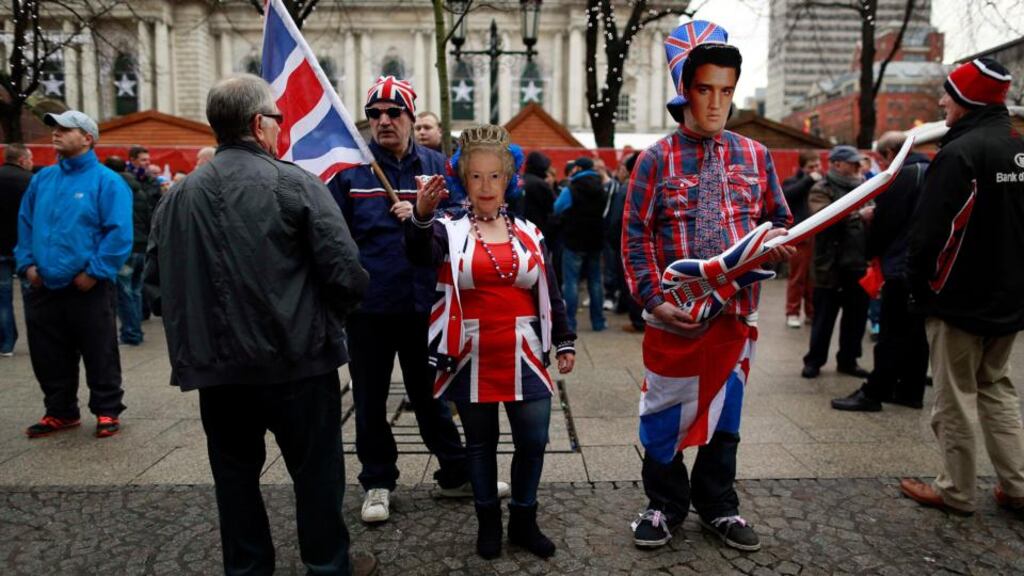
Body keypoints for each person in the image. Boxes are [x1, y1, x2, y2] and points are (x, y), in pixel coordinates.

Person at [144, 74, 376, 575]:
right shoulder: (294, 183)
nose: (281, 127)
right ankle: (327, 566)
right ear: (257, 124)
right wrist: (323, 323)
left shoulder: (178, 198)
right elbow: (348, 276)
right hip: (297, 364)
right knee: (317, 475)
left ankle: (249, 571)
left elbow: (156, 289)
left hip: (219, 373)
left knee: (235, 481)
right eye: (277, 119)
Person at [623, 21, 793, 552]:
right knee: (664, 420)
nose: (716, 102)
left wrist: (782, 242)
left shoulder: (756, 156)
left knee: (726, 423)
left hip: (735, 321)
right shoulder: (655, 160)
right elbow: (633, 238)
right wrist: (652, 299)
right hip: (674, 320)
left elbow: (780, 219)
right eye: (704, 89)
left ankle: (719, 505)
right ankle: (664, 505)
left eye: (726, 90)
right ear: (684, 92)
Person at [328, 76, 500, 525]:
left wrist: (427, 215)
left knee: (432, 395)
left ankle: (456, 471)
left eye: (394, 113)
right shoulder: (351, 170)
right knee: (369, 398)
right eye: (375, 115)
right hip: (370, 309)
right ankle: (378, 481)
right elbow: (332, 236)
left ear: (410, 116)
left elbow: (466, 219)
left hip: (426, 304)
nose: (384, 121)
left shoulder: (438, 164)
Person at [406, 124, 576, 559]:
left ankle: (524, 520)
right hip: (470, 352)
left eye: (494, 176)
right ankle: (487, 523)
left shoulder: (530, 232)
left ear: (508, 179)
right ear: (464, 180)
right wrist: (421, 217)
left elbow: (550, 291)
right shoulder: (448, 229)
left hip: (523, 349)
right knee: (479, 445)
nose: (485, 186)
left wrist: (564, 339)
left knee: (533, 441)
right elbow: (419, 254)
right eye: (476, 176)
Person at [899, 58, 1024, 516]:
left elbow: (931, 233)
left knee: (954, 397)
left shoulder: (959, 153)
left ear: (969, 99)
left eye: (948, 94)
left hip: (959, 299)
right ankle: (1017, 487)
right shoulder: (1019, 145)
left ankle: (956, 490)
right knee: (996, 387)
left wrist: (920, 286)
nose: (940, 102)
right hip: (1010, 298)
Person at [15, 110, 132, 439]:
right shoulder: (42, 180)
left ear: (87, 138)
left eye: (66, 129)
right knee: (48, 353)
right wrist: (27, 265)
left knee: (99, 350)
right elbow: (25, 225)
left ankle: (107, 410)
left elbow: (119, 232)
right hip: (43, 284)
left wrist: (95, 271)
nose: (56, 133)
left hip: (88, 286)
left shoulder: (107, 181)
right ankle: (60, 411)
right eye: (55, 128)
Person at [831, 132, 931, 412]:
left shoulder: (901, 176)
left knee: (891, 332)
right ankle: (911, 390)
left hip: (899, 264)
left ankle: (874, 392)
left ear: (890, 152)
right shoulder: (930, 169)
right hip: (924, 265)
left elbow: (888, 223)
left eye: (879, 156)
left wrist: (871, 239)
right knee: (916, 333)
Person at [800, 145, 870, 379]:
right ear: (837, 164)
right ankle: (814, 361)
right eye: (854, 163)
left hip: (858, 264)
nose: (859, 167)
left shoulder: (865, 188)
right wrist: (859, 215)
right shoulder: (821, 188)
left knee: (856, 318)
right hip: (829, 265)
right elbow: (824, 219)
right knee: (823, 318)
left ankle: (849, 360)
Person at [554, 156, 608, 332]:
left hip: (574, 239)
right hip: (595, 240)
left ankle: (570, 323)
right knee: (595, 282)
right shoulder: (602, 187)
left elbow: (557, 208)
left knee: (571, 282)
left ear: (577, 168)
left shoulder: (571, 188)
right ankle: (598, 322)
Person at [104, 156, 150, 346]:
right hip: (142, 245)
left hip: (127, 248)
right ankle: (135, 326)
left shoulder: (113, 188)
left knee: (124, 292)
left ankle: (131, 332)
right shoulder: (139, 189)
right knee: (135, 290)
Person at [0, 143, 33, 357]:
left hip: (0, 246)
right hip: (26, 246)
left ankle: (6, 343)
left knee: (2, 297)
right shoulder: (32, 182)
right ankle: (39, 339)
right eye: (30, 159)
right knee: (32, 295)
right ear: (22, 160)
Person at [782, 150, 821, 328]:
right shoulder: (793, 182)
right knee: (797, 276)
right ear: (803, 167)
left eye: (817, 165)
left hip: (817, 234)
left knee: (813, 278)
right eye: (811, 167)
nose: (815, 169)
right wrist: (808, 180)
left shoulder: (822, 183)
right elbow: (788, 196)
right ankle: (792, 312)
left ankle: (812, 313)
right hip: (800, 234)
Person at [607, 153, 645, 332]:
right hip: (646, 242)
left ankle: (638, 321)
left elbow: (615, 220)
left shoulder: (626, 188)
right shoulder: (649, 184)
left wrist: (614, 243)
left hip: (627, 243)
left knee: (629, 282)